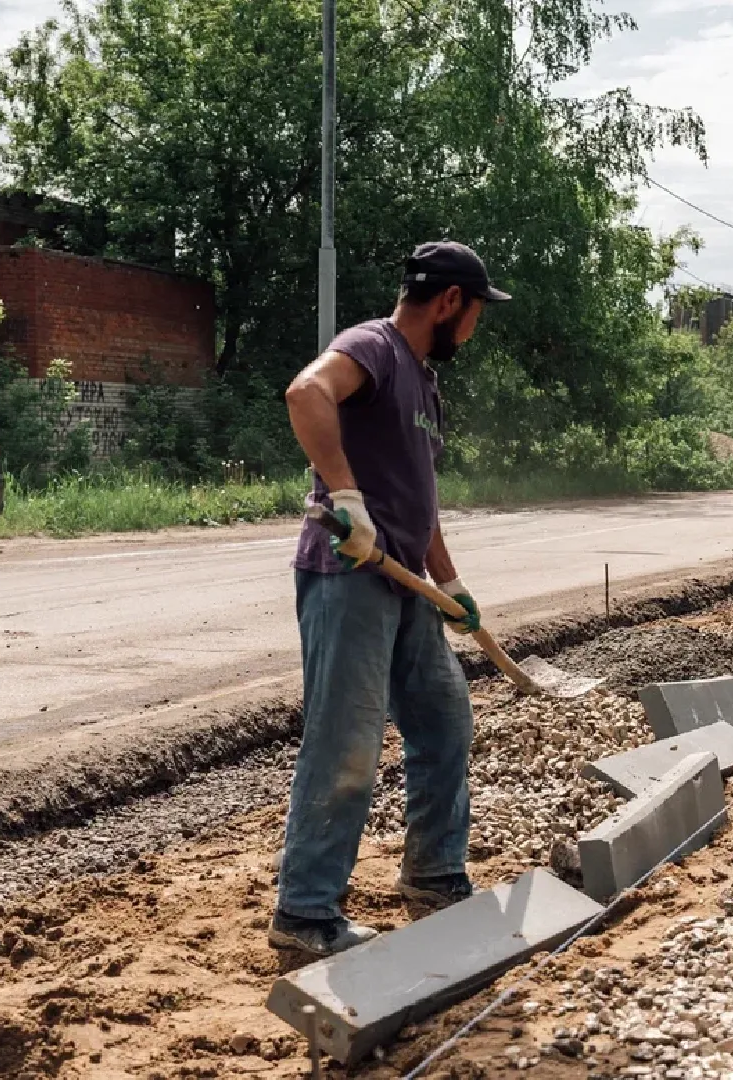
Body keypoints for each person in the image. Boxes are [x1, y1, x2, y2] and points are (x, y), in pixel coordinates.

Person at [271, 240, 510, 960]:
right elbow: (304, 393)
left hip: (405, 587)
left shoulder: (425, 385)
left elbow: (420, 498)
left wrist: (452, 583)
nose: (474, 329)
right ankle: (306, 914)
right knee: (346, 747)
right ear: (449, 304)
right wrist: (344, 495)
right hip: (349, 581)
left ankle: (434, 875)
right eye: (476, 314)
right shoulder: (371, 347)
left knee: (444, 725)